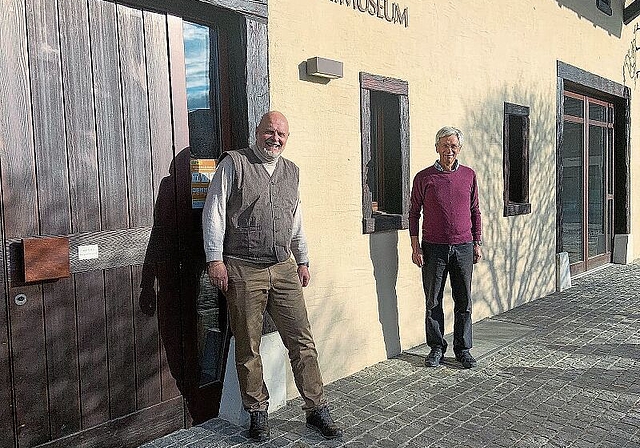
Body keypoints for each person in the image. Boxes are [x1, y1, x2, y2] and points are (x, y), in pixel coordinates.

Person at [202, 111, 342, 442]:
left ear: (287, 138)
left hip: (283, 265)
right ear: (257, 132)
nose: (275, 137)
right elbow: (214, 213)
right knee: (248, 345)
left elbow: (295, 219)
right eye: (269, 131)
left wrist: (303, 259)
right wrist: (214, 260)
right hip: (242, 266)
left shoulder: (291, 171)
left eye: (281, 133)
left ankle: (316, 409)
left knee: (302, 340)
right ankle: (257, 412)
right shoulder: (234, 164)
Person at [408, 126, 482, 369]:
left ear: (459, 149)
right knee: (433, 300)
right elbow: (413, 213)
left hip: (463, 246)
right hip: (433, 248)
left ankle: (463, 350)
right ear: (436, 147)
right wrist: (415, 246)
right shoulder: (424, 177)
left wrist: (477, 242)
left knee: (464, 301)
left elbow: (475, 211)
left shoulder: (469, 175)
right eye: (444, 145)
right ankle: (437, 347)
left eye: (453, 145)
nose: (448, 150)